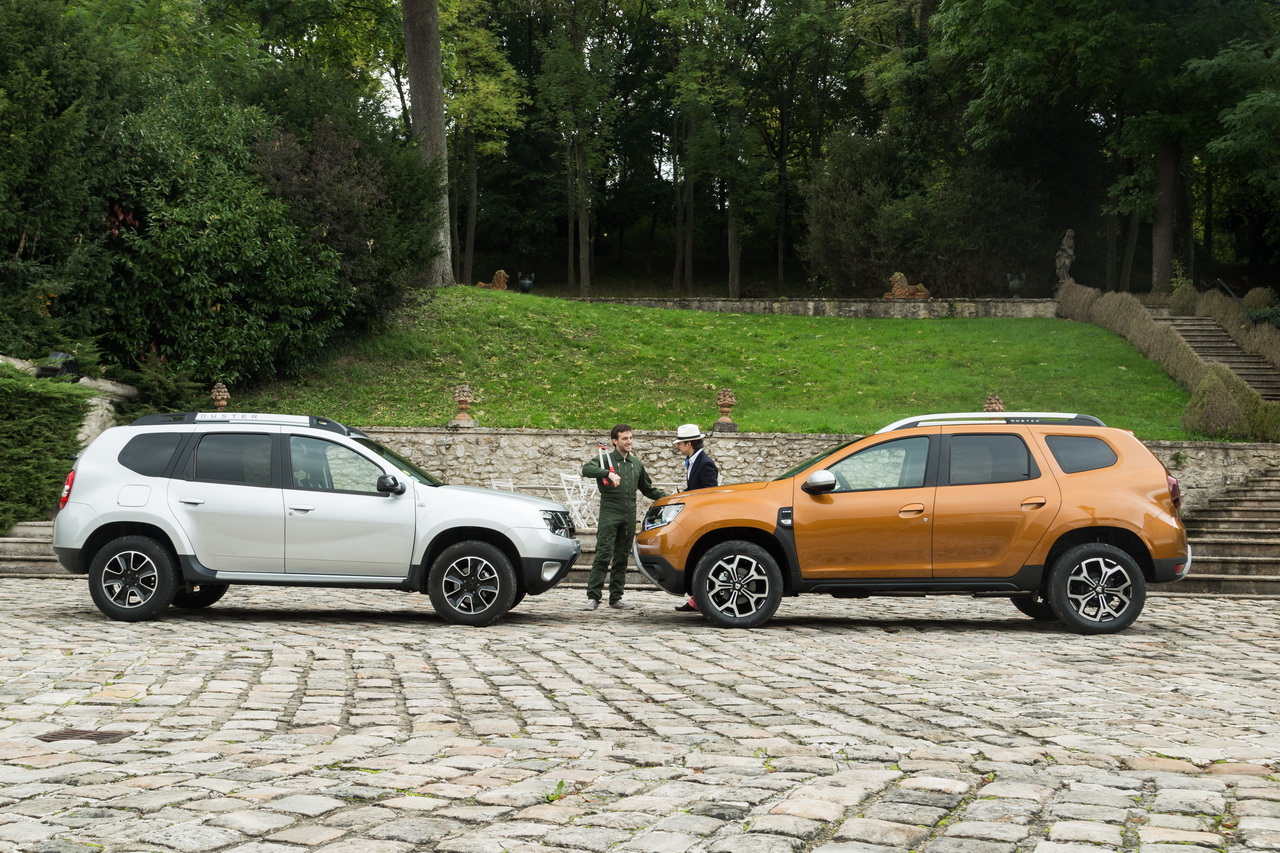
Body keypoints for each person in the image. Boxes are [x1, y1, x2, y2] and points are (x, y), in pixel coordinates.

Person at [580, 424, 667, 611]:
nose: (629, 441)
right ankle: (593, 597)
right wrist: (608, 473)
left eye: (630, 438)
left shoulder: (636, 464)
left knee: (621, 557)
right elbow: (586, 469)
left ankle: (616, 598)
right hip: (610, 513)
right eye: (625, 438)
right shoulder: (605, 459)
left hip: (629, 516)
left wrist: (669, 498)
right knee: (603, 554)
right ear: (615, 441)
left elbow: (648, 489)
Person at [672, 424, 718, 612]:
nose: (677, 446)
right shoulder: (693, 461)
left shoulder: (705, 463)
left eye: (679, 443)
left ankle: (700, 599)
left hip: (703, 518)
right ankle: (696, 599)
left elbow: (710, 492)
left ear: (688, 444)